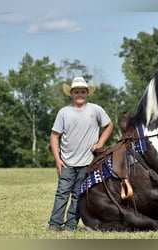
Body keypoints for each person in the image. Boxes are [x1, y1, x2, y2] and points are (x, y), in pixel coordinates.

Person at [48, 76, 113, 231]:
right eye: (76, 92)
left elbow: (109, 125)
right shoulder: (64, 112)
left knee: (79, 195)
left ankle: (71, 224)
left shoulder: (95, 110)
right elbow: (54, 135)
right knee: (62, 193)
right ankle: (54, 224)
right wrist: (57, 159)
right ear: (71, 93)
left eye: (82, 92)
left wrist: (100, 144)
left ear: (87, 93)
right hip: (67, 162)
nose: (79, 94)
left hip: (88, 162)